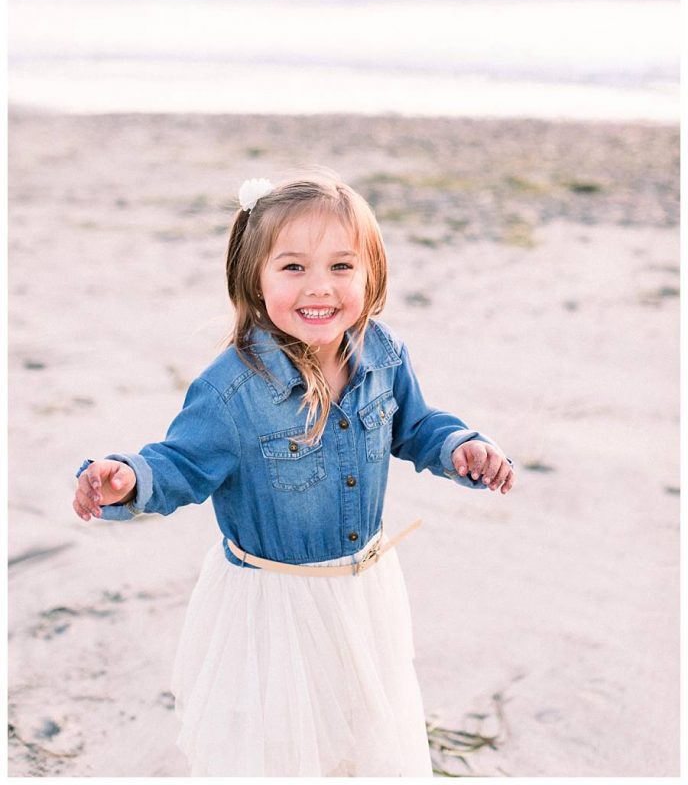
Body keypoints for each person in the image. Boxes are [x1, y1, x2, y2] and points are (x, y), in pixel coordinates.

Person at [72, 171, 515, 777]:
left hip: (364, 594)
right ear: (254, 279)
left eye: (341, 266)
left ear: (371, 275)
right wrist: (128, 476)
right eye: (293, 267)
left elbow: (415, 426)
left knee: (361, 739)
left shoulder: (383, 354)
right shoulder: (232, 389)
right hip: (273, 608)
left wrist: (462, 445)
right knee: (279, 750)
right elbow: (180, 463)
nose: (320, 288)